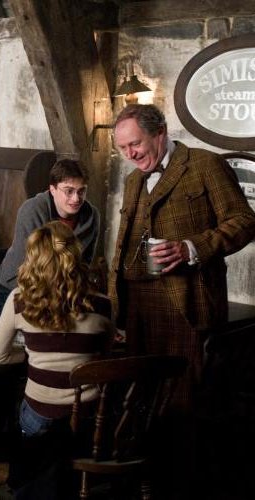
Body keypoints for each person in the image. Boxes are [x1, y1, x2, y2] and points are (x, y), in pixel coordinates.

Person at [109, 103, 255, 499]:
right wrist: (117, 307)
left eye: (135, 144)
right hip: (137, 307)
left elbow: (245, 221)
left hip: (186, 305)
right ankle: (143, 483)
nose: (130, 154)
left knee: (183, 406)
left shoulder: (204, 164)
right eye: (122, 148)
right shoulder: (134, 179)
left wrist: (192, 248)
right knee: (141, 401)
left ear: (160, 133)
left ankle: (178, 488)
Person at [0, 221, 114, 497]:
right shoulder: (103, 304)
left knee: (21, 409)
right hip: (88, 418)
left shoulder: (19, 300)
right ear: (75, 254)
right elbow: (102, 361)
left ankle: (27, 478)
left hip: (40, 416)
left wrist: (31, 353)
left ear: (34, 258)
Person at [0, 159, 99, 315]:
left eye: (81, 191)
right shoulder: (32, 209)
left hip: (63, 291)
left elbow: (85, 262)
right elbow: (33, 263)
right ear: (52, 189)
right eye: (69, 191)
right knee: (15, 330)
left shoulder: (92, 216)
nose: (76, 198)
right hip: (21, 285)